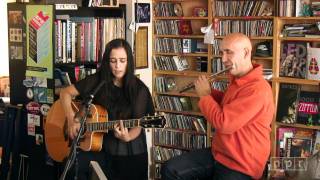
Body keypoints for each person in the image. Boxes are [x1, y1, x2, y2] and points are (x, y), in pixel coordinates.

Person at [161, 33, 275, 180]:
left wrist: (204, 96)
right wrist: (210, 92)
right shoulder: (238, 80)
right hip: (221, 154)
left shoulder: (257, 89)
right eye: (222, 52)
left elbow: (224, 123)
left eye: (229, 52)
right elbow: (229, 106)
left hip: (242, 164)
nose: (223, 59)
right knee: (170, 169)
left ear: (246, 52)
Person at [59, 39, 155, 180]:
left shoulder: (139, 89)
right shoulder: (98, 81)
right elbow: (65, 93)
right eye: (113, 61)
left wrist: (127, 136)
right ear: (107, 62)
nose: (117, 66)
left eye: (122, 61)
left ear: (129, 62)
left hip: (130, 155)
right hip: (101, 150)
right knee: (71, 166)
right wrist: (71, 118)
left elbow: (139, 124)